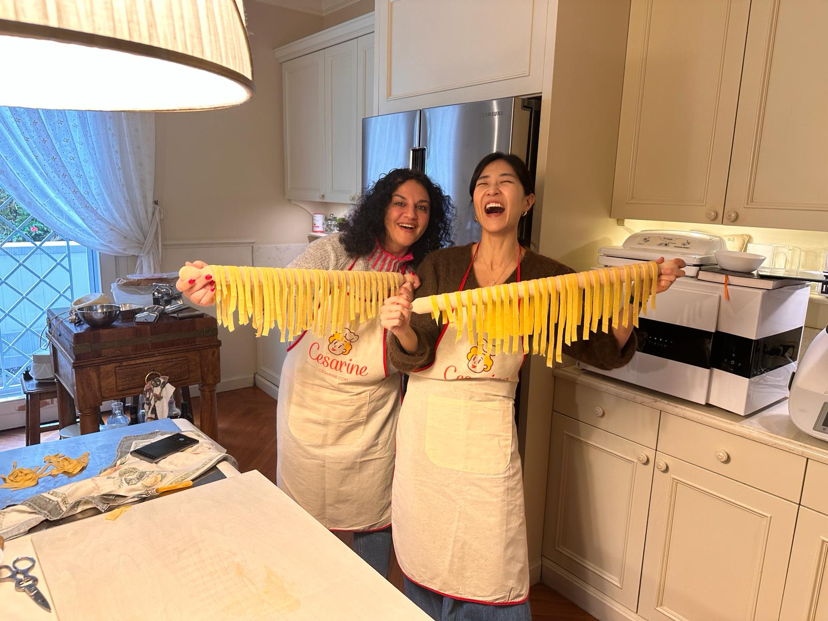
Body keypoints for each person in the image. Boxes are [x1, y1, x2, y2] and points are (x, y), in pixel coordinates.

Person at [380, 152, 685, 620]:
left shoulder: (547, 279)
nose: (492, 191)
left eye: (505, 183)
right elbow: (413, 356)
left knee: (492, 563)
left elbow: (601, 350)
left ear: (527, 202)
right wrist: (400, 326)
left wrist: (632, 297)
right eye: (483, 183)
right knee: (425, 547)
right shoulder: (441, 266)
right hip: (425, 435)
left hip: (487, 437)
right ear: (475, 200)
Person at [177, 168, 453, 578]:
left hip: (370, 414)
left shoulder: (425, 274)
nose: (410, 214)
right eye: (400, 202)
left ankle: (367, 599)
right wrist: (222, 288)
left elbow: (419, 347)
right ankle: (302, 587)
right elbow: (282, 289)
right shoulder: (338, 250)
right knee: (299, 512)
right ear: (381, 207)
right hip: (311, 398)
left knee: (374, 511)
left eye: (422, 207)